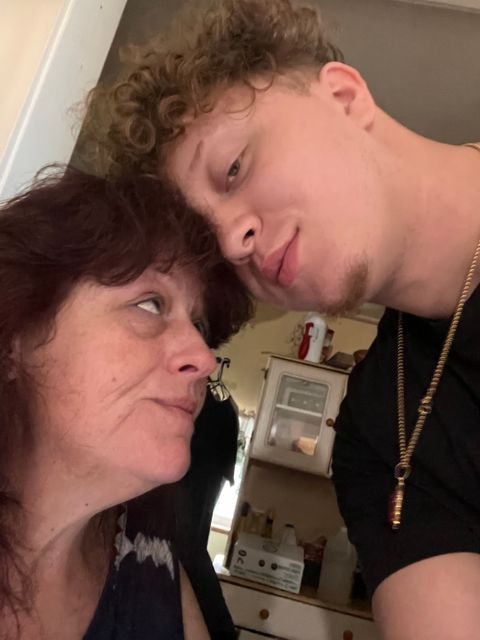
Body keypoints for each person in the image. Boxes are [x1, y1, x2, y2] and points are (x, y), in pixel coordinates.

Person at [80, 1, 480, 638]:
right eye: (212, 245)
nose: (233, 241)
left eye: (234, 168)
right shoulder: (381, 438)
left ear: (344, 97)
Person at [0, 166, 252, 639]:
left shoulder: (151, 567)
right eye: (151, 304)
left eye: (199, 327)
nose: (203, 358)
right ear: (15, 340)